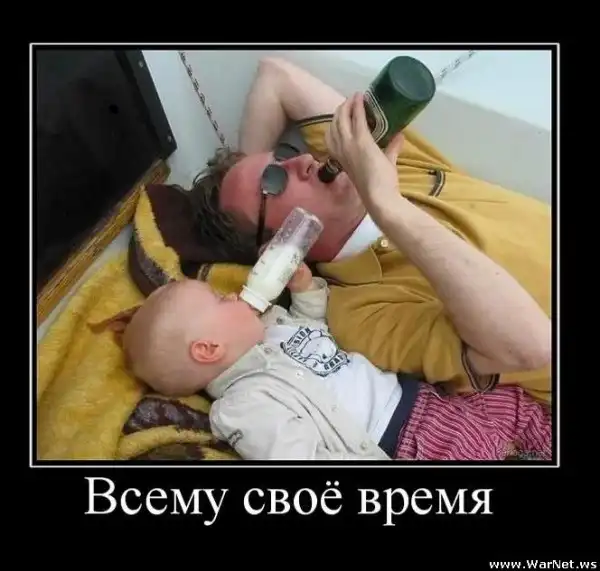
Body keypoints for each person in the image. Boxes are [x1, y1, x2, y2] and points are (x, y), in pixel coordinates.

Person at [189, 56, 552, 405]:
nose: (301, 160)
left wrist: (249, 164)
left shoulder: (370, 163)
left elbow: (276, 77)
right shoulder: (359, 313)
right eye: (273, 180)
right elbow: (531, 345)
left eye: (282, 157)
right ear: (278, 245)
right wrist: (387, 206)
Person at [121, 261, 552, 461]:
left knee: (518, 407)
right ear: (208, 349)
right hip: (403, 439)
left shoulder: (272, 327)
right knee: (479, 450)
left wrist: (305, 288)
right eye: (220, 299)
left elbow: (314, 325)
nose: (233, 294)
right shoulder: (243, 405)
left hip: (422, 395)